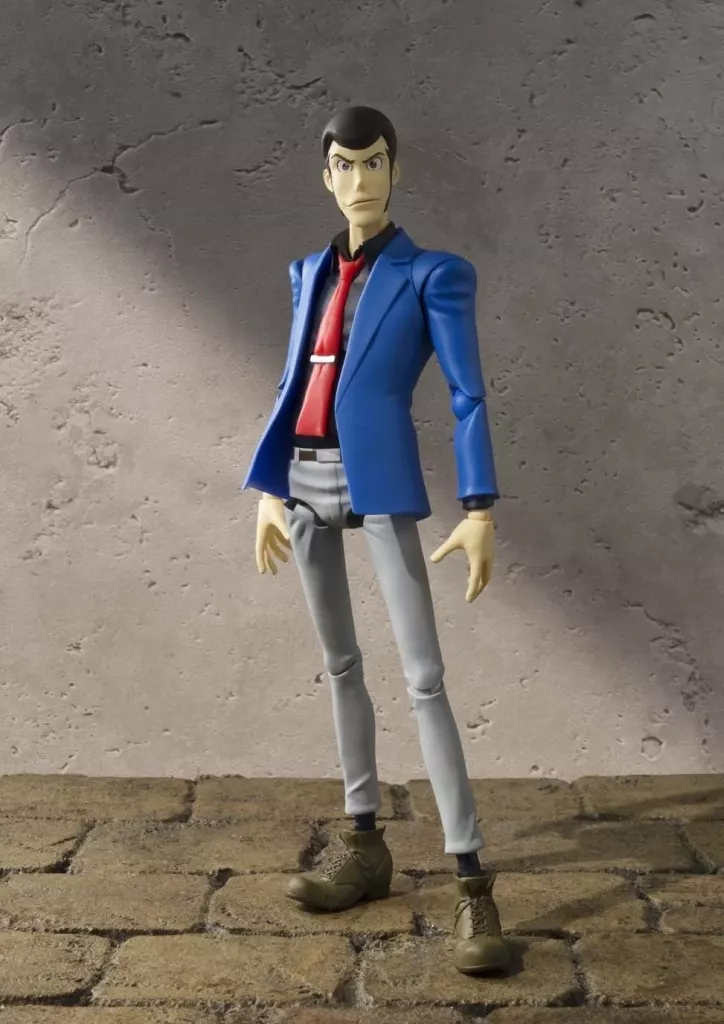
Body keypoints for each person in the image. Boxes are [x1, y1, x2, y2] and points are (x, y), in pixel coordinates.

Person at [243, 105, 510, 975]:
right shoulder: (306, 272)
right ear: (325, 176)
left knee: (423, 677)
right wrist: (269, 487)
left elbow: (468, 394)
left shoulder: (435, 275)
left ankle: (472, 882)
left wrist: (478, 507)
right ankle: (364, 844)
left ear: (395, 171)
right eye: (345, 165)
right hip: (304, 477)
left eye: (374, 163)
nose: (360, 180)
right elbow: (293, 379)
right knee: (341, 665)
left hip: (381, 480)